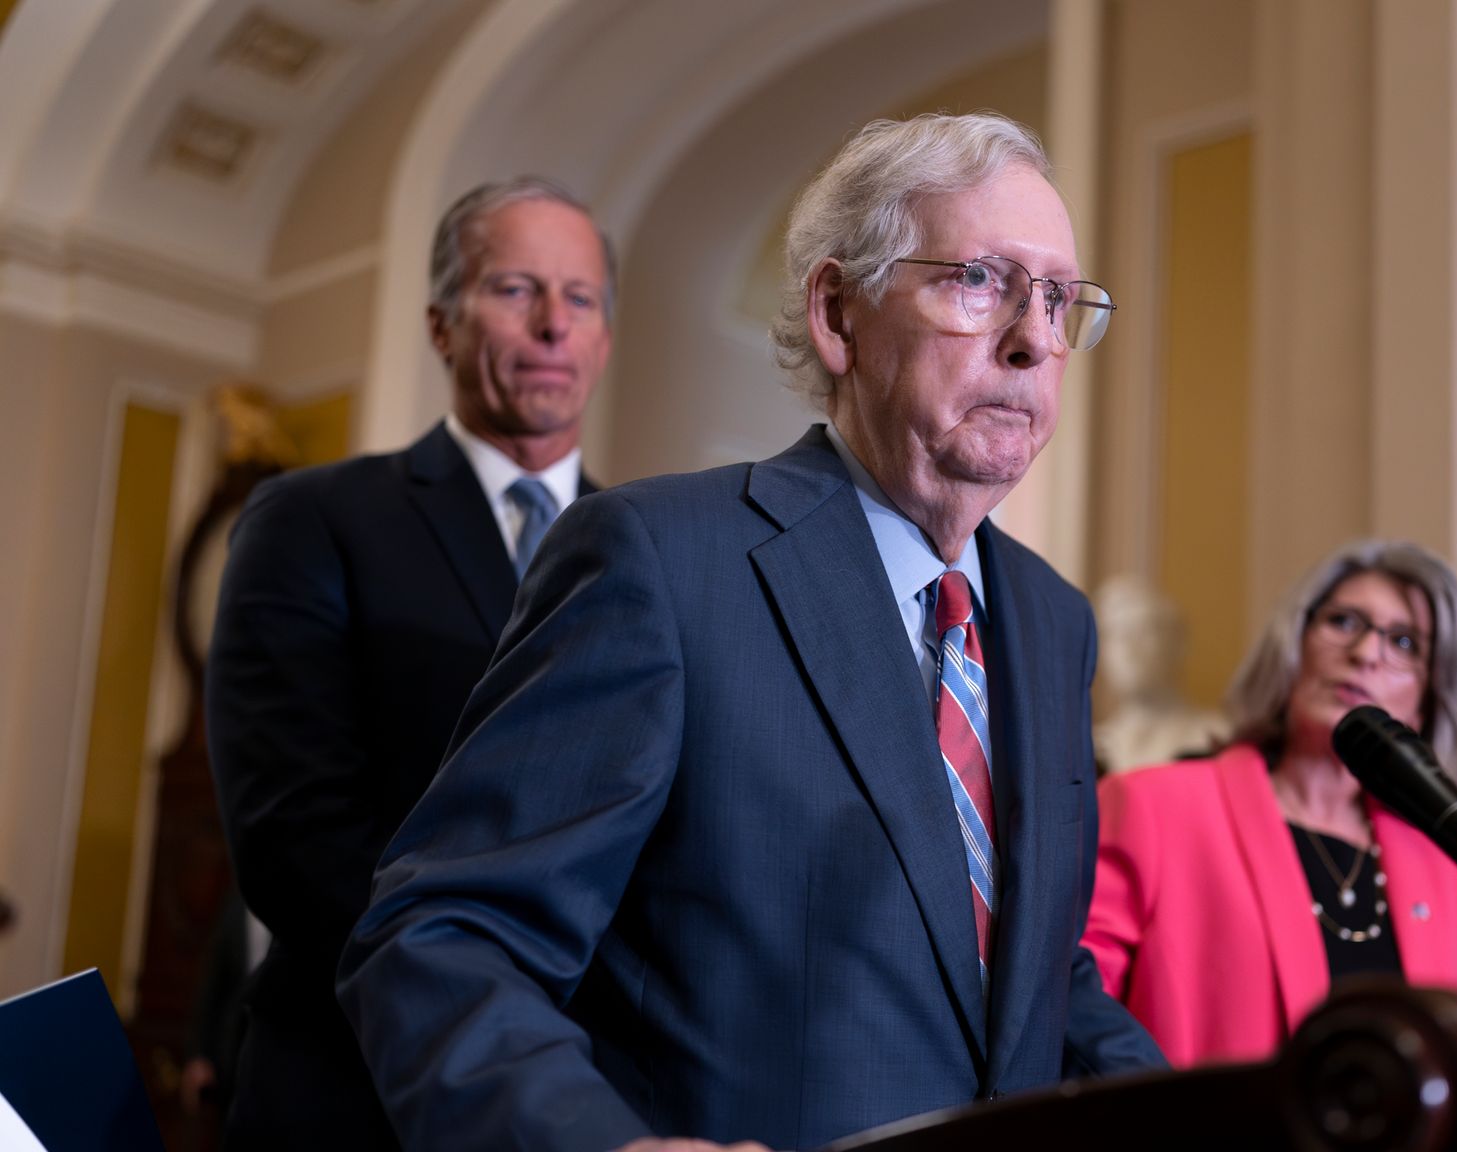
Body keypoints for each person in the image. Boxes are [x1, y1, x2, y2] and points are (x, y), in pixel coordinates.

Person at [337, 113, 1164, 1152]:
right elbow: (444, 939)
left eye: (1054, 299)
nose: (1033, 338)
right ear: (836, 313)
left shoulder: (1052, 624)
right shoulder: (658, 563)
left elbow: (1034, 974)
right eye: (978, 281)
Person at [205, 176, 610, 1149]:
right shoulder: (312, 521)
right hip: (356, 1079)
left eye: (581, 298)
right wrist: (483, 1022)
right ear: (440, 324)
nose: (553, 324)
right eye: (515, 290)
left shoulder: (651, 550)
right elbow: (291, 835)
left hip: (586, 1089)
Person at [1083, 540, 1457, 1068]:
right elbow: (1077, 1006)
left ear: (1429, 696)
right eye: (1344, 622)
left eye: (1405, 642)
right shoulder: (1152, 807)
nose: (1367, 653)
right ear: (1294, 644)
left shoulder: (1447, 867)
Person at [1092, 575, 1228, 773]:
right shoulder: (1093, 745)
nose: (1129, 649)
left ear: (1177, 644)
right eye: (1117, 636)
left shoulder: (1215, 734)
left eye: (1144, 632)